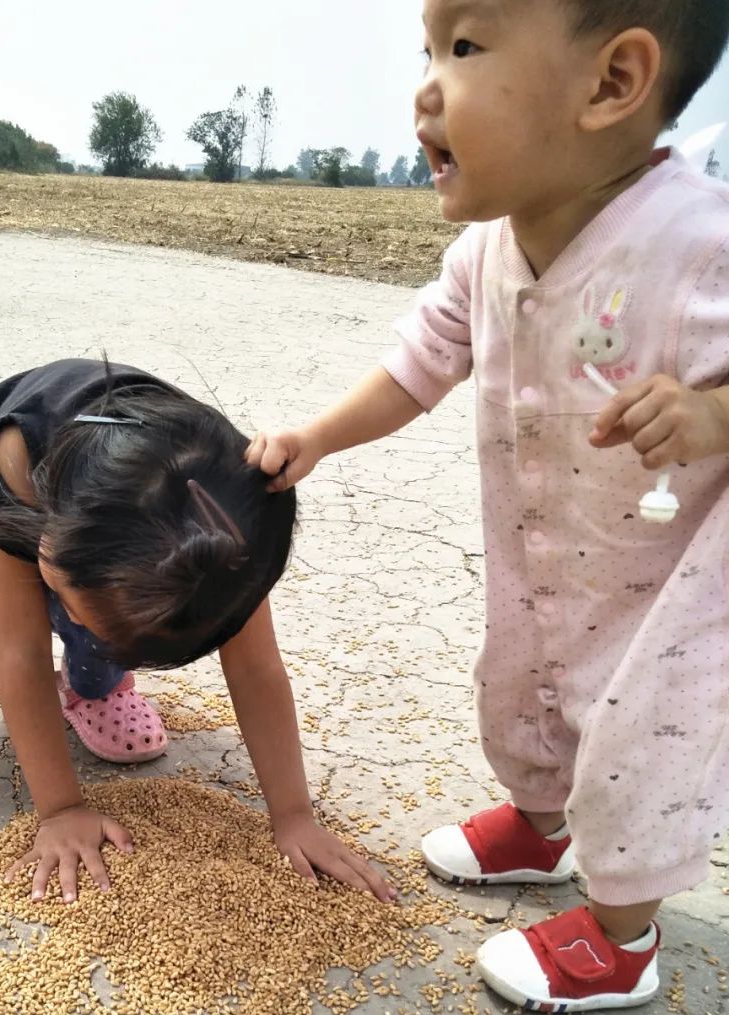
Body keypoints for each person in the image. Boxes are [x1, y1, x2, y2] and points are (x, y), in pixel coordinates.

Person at [247, 0, 729, 1009]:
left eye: (464, 48)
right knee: (521, 685)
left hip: (675, 584)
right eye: (425, 49)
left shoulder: (697, 244)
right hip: (546, 553)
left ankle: (621, 935)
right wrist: (317, 437)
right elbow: (419, 363)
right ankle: (542, 826)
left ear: (611, 83)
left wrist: (709, 413)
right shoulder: (487, 253)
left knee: (639, 738)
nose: (426, 85)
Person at [0, 358, 396, 904]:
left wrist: (294, 815)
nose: (70, 615)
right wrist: (61, 810)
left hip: (107, 569)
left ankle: (94, 684)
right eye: (71, 601)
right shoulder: (19, 455)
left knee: (121, 605)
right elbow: (19, 653)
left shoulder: (229, 530)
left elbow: (256, 667)